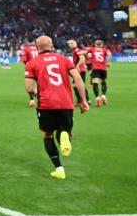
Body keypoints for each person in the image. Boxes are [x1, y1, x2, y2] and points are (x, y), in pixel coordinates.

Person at [24, 35, 90, 180]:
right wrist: (83, 100)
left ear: (36, 47)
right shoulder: (64, 59)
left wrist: (37, 93)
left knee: (48, 135)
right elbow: (78, 79)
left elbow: (29, 88)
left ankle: (59, 169)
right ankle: (65, 133)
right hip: (66, 103)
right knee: (65, 130)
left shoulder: (32, 63)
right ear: (52, 45)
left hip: (46, 104)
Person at [86, 39, 112, 107]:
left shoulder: (92, 49)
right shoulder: (105, 50)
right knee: (103, 81)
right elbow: (109, 54)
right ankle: (103, 96)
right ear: (102, 45)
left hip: (95, 68)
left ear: (95, 44)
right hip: (103, 68)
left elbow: (85, 52)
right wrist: (108, 62)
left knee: (95, 83)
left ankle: (97, 98)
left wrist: (87, 57)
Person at [20, 40, 39, 107]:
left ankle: (32, 100)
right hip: (40, 67)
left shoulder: (26, 49)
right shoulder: (38, 48)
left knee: (29, 86)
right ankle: (43, 97)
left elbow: (24, 59)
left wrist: (27, 66)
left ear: (28, 42)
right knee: (40, 83)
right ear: (34, 41)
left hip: (30, 68)